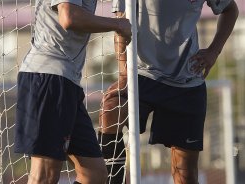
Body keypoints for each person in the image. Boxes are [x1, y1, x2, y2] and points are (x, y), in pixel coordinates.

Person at [98, 0, 239, 183]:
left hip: (186, 83)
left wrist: (214, 51)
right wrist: (125, 75)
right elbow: (121, 24)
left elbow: (230, 10)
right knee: (111, 109)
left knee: (185, 174)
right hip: (142, 74)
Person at [14, 0, 132, 183]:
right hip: (49, 79)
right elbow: (69, 17)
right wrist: (118, 24)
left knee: (94, 174)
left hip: (66, 82)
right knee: (45, 175)